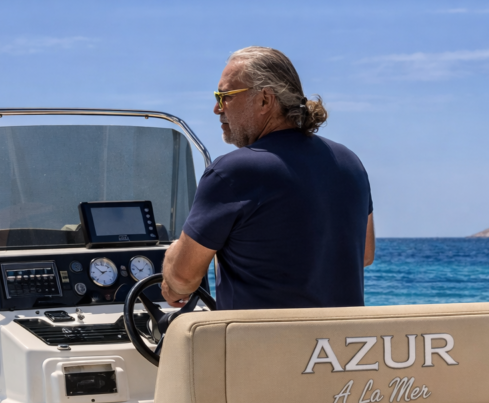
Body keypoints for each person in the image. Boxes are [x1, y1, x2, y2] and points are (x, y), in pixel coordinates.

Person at [161, 46, 376, 311]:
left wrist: (173, 256)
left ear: (264, 100)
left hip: (259, 350)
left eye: (224, 96)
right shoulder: (350, 163)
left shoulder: (231, 172)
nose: (217, 108)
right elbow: (364, 255)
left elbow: (183, 280)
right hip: (338, 350)